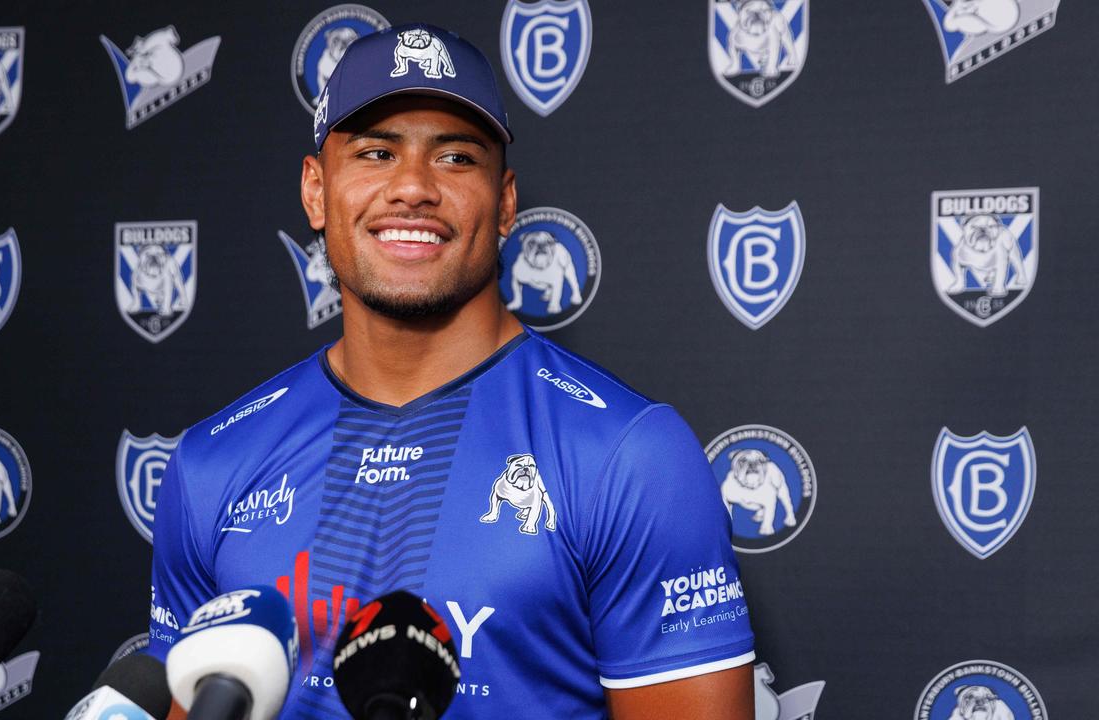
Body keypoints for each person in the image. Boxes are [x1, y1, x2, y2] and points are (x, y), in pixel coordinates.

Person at [149, 23, 755, 719]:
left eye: (458, 159)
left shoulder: (630, 455)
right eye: (376, 153)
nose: (412, 187)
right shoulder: (211, 465)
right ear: (316, 192)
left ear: (504, 204)